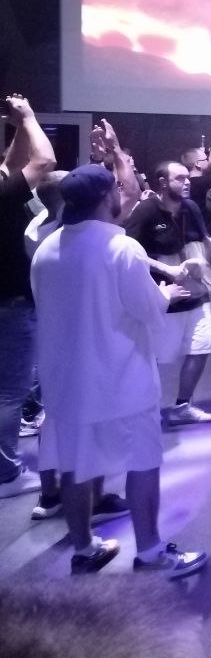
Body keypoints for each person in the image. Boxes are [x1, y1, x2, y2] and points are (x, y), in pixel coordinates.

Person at [31, 165, 207, 577]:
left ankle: (84, 548)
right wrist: (165, 292)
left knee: (74, 466)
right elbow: (147, 308)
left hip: (65, 384)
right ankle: (150, 553)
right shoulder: (120, 248)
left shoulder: (46, 248)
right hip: (122, 381)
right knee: (143, 463)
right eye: (117, 188)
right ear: (104, 197)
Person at [124, 160, 211, 425]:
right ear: (163, 183)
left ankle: (183, 406)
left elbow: (207, 242)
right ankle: (141, 410)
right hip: (165, 298)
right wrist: (166, 269)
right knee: (155, 358)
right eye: (180, 178)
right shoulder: (146, 212)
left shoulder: (191, 207)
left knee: (201, 348)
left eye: (187, 178)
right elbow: (127, 251)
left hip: (197, 295)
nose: (187, 183)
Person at [0, 94, 56, 498]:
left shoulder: (3, 193)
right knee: (10, 393)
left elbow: (11, 164)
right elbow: (44, 161)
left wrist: (18, 126)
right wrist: (31, 118)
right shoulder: (3, 198)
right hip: (10, 307)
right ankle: (5, 468)